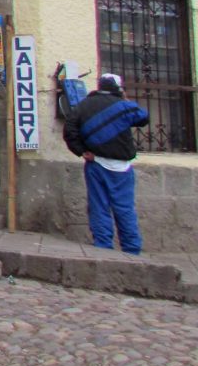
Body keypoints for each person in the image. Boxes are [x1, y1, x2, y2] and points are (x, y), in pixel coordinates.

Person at [64, 73, 149, 255]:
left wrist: (81, 151)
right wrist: (124, 98)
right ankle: (131, 249)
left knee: (98, 205)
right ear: (118, 88)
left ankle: (103, 247)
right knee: (124, 207)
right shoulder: (123, 106)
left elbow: (69, 130)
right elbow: (143, 117)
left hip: (96, 164)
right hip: (122, 167)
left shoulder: (83, 105)